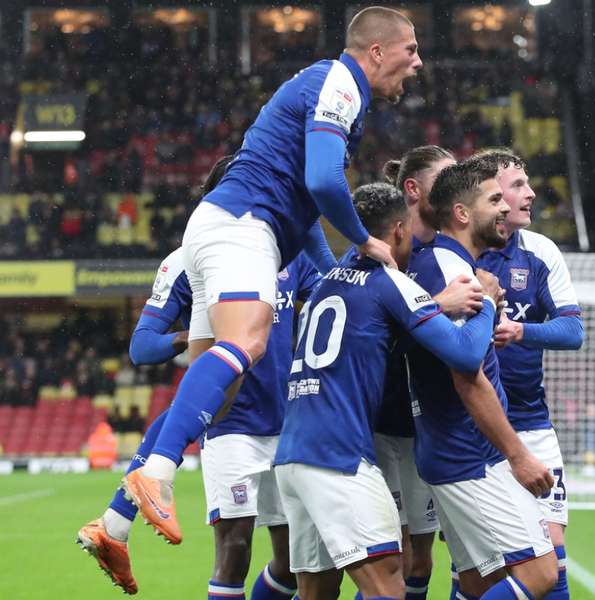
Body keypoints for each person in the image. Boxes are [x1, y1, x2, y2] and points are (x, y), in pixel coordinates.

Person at [123, 6, 423, 544]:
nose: (418, 62)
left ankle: (115, 522)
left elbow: (307, 206)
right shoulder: (339, 82)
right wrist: (364, 239)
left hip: (231, 225)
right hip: (242, 224)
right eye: (411, 49)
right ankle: (156, 474)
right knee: (250, 342)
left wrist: (336, 276)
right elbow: (326, 181)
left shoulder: (335, 92)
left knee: (224, 383)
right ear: (376, 51)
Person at [77, 157, 322, 600]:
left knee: (293, 564)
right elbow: (142, 345)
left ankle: (115, 521)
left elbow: (331, 292)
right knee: (235, 549)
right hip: (231, 425)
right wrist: (198, 335)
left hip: (288, 423)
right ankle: (118, 517)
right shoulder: (188, 260)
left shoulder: (289, 253)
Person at [273, 183, 502, 599]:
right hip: (338, 457)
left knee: (317, 591)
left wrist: (432, 304)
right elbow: (467, 356)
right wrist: (484, 303)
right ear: (398, 229)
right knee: (387, 587)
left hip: (292, 456)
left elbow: (370, 330)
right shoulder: (392, 283)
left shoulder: (327, 283)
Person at [406, 158, 559, 599]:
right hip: (470, 455)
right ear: (461, 213)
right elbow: (468, 376)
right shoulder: (456, 273)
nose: (505, 209)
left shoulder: (438, 262)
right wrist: (518, 455)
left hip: (449, 448)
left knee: (479, 582)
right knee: (540, 574)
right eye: (494, 199)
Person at [476, 148, 584, 600]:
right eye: (518, 184)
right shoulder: (457, 253)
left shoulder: (541, 251)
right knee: (479, 568)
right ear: (489, 195)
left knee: (552, 554)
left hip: (532, 422)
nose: (531, 192)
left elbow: (572, 330)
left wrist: (520, 330)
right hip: (473, 428)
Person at [374, 145, 468, 599]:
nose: (457, 187)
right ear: (413, 189)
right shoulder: (381, 249)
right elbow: (372, 326)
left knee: (421, 558)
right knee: (384, 558)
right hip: (375, 422)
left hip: (423, 428)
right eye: (446, 177)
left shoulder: (447, 255)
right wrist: (436, 307)